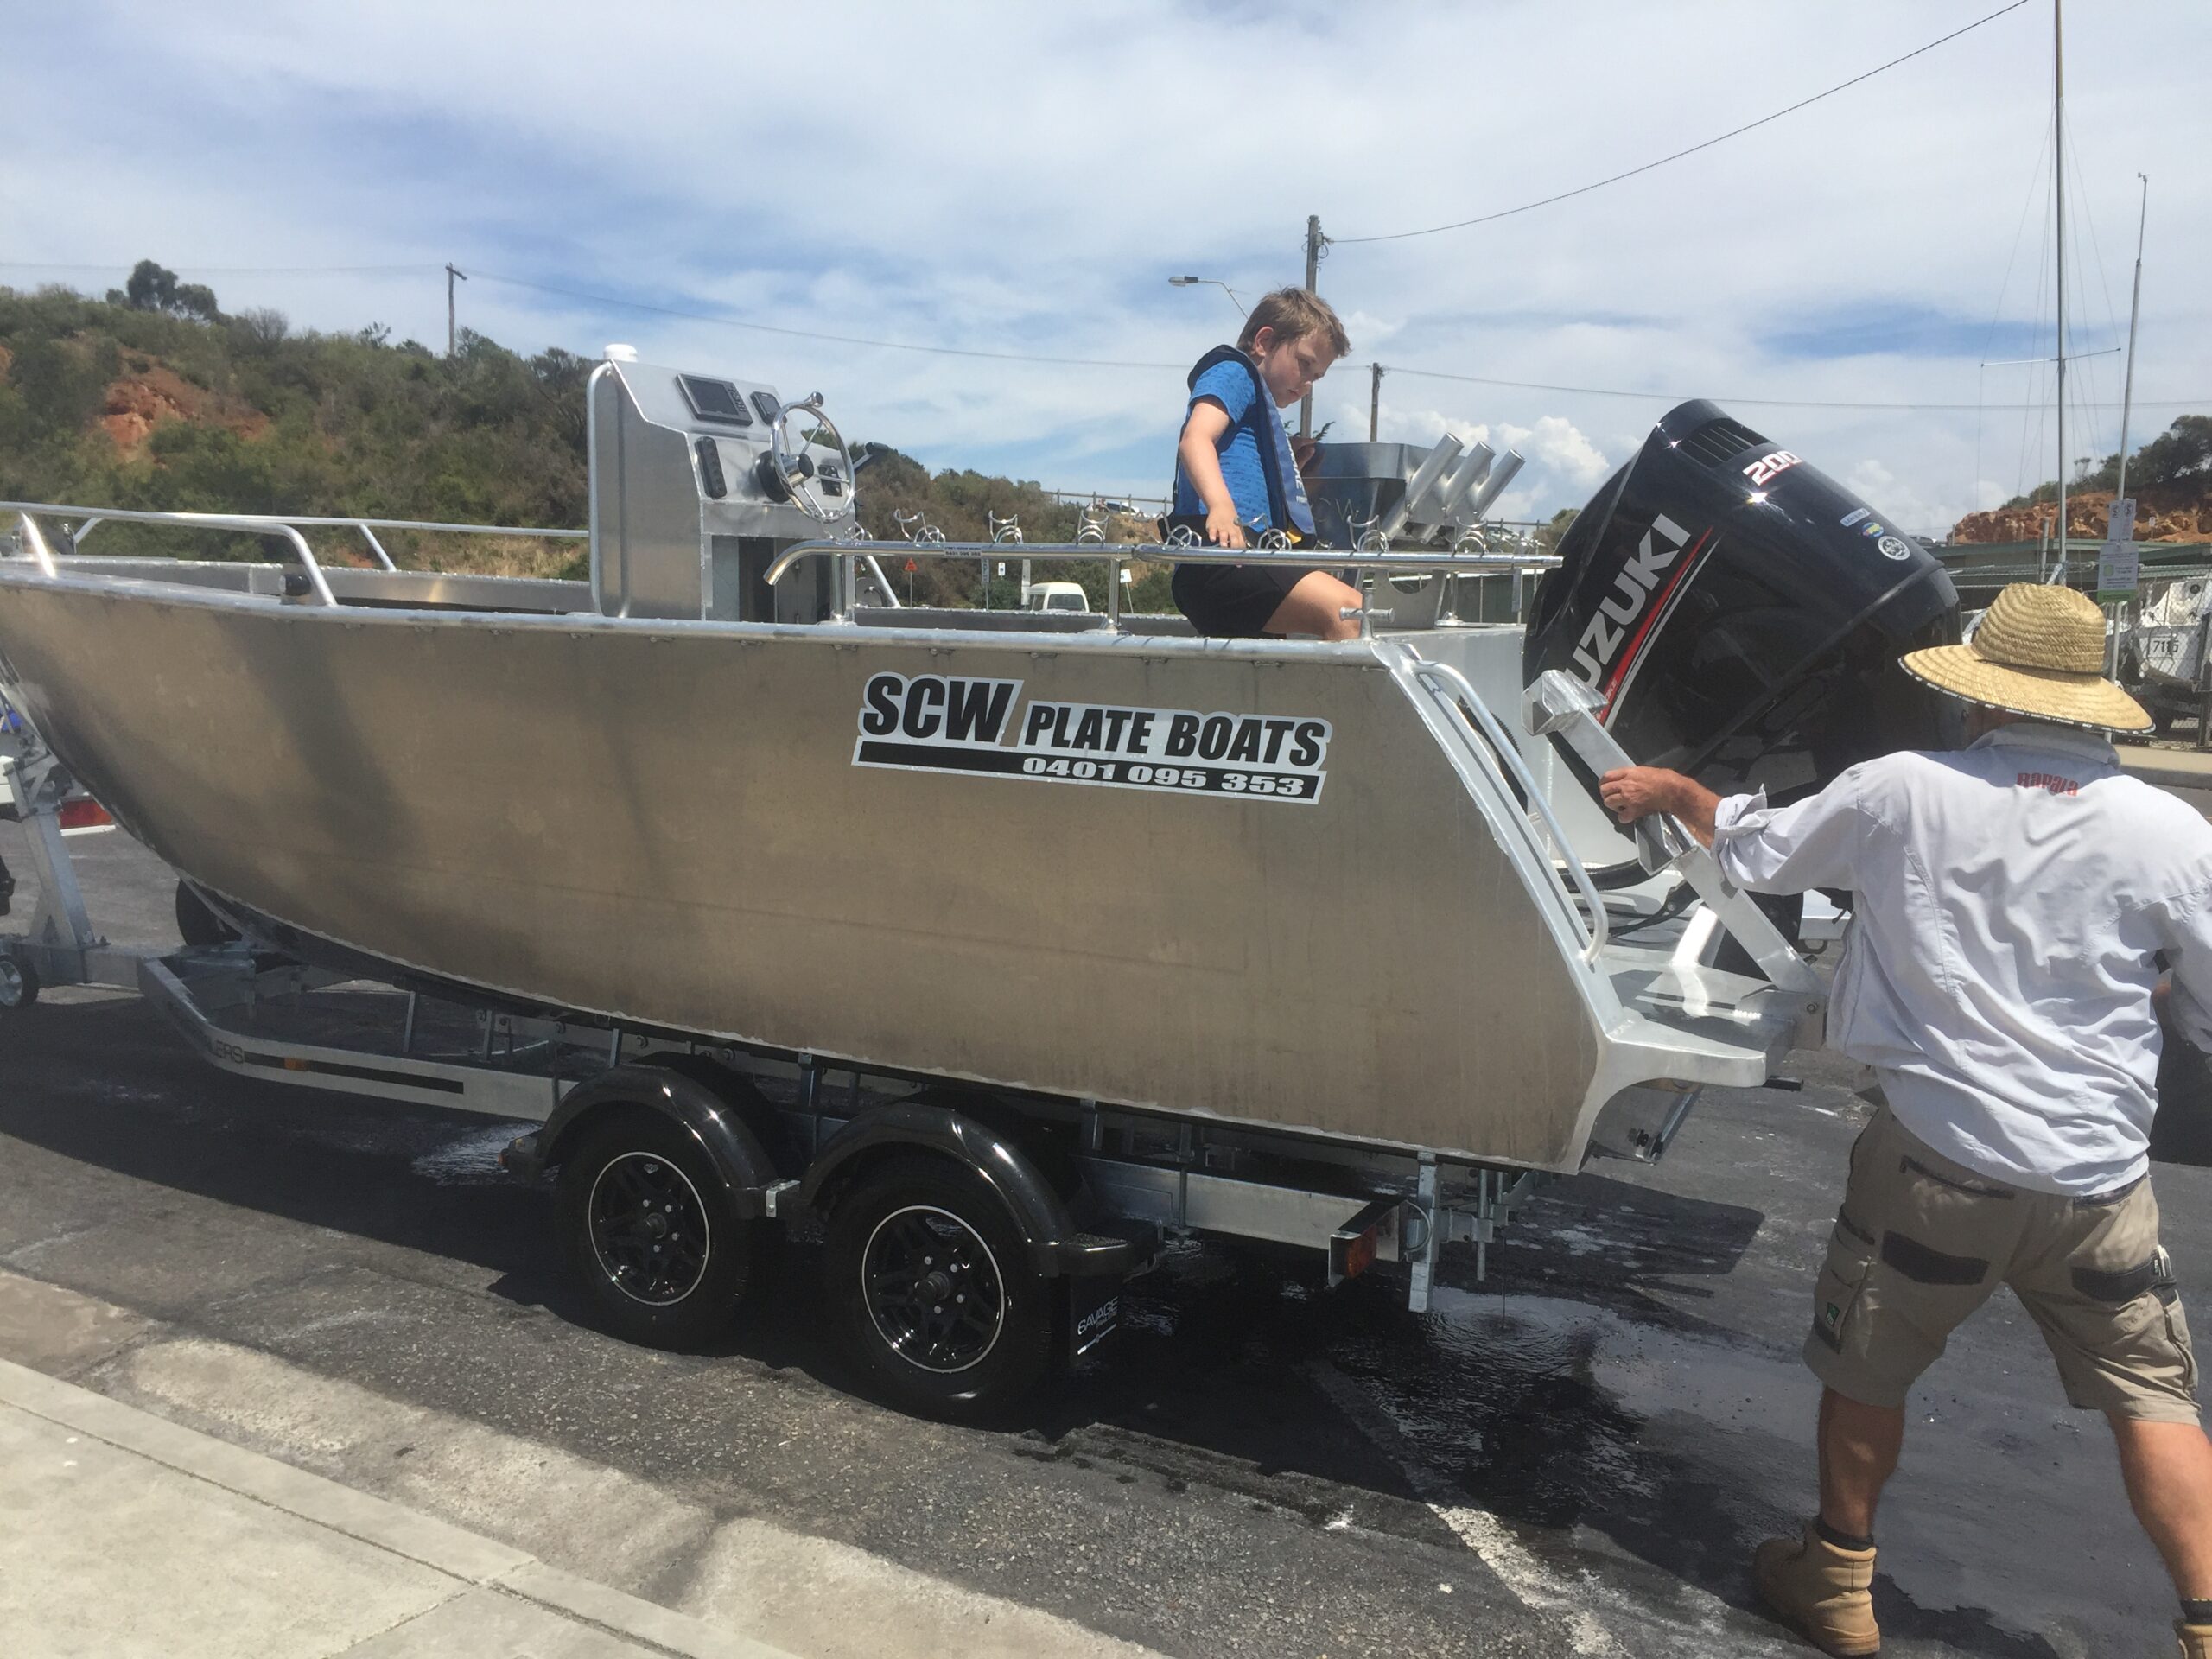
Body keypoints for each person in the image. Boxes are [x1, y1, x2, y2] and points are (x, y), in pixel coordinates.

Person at [1597, 582, 2212, 1658]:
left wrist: (1680, 792)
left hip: (1940, 1162)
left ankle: (1836, 1582)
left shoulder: (1903, 790)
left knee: (1867, 1367)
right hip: (2100, 1184)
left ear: (1983, 697)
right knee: (2152, 1398)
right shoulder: (2170, 829)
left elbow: (1759, 851)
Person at [1167, 288, 1357, 640]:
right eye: (1304, 364)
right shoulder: (1234, 373)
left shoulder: (1257, 410)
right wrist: (1221, 507)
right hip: (1219, 559)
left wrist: (1286, 467)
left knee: (1272, 663)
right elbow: (1195, 439)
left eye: (1316, 377)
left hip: (1245, 558)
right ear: (1264, 342)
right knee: (1350, 612)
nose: (1307, 384)